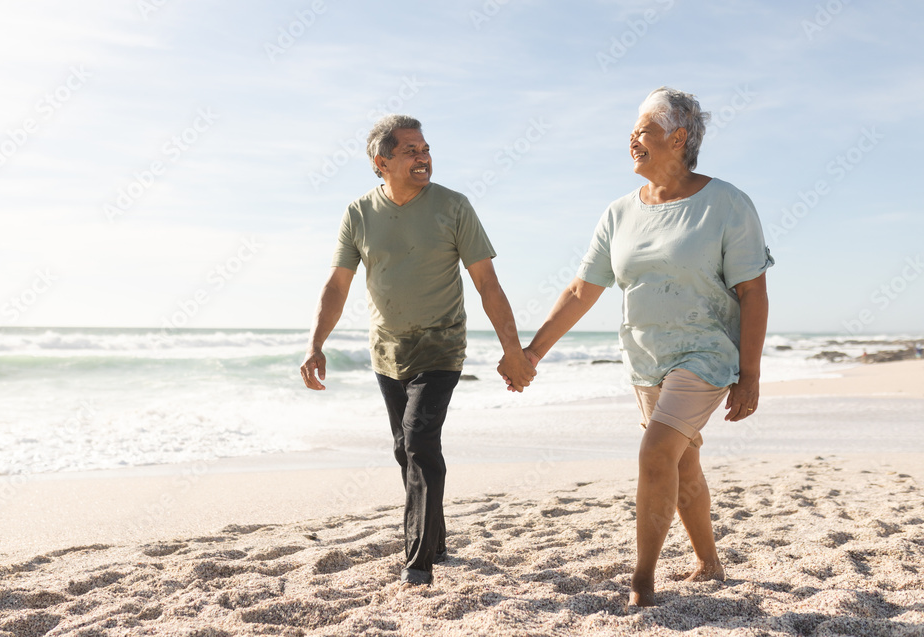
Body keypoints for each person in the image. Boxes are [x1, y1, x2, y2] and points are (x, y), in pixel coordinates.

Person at [502, 87, 773, 607]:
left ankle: (642, 583)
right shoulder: (619, 213)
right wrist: (532, 354)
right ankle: (709, 562)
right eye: (633, 128)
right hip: (645, 360)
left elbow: (752, 292)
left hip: (707, 353)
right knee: (681, 462)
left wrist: (751, 374)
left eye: (644, 129)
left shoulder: (727, 204)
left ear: (678, 137)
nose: (633, 138)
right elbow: (582, 290)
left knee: (654, 454)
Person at [301, 114, 536, 588]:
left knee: (419, 440)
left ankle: (418, 563)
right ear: (381, 161)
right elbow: (337, 284)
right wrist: (316, 344)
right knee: (404, 449)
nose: (423, 156)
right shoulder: (358, 213)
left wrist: (514, 352)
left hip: (441, 344)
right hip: (386, 350)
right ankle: (437, 541)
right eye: (410, 150)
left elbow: (487, 284)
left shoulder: (454, 207)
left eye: (425, 148)